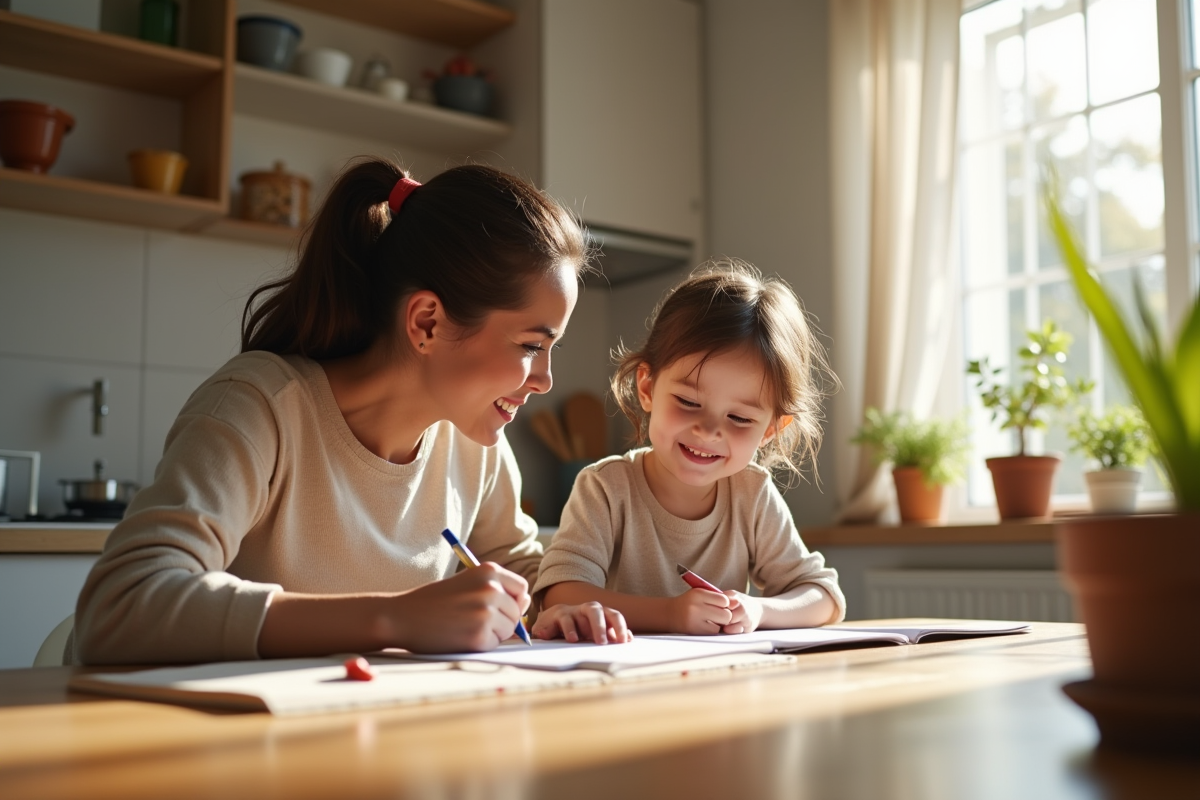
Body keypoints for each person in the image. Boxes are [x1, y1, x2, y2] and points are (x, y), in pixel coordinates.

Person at [72, 160, 630, 665]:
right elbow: (122, 604)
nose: (545, 379)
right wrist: (396, 617)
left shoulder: (473, 440)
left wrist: (556, 609)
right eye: (532, 345)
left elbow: (519, 572)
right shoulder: (260, 408)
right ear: (427, 323)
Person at [534, 260, 845, 634]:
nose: (709, 430)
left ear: (770, 431)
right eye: (689, 402)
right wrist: (670, 615)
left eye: (740, 419)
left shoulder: (752, 494)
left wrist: (759, 610)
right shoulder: (605, 488)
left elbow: (824, 596)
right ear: (647, 388)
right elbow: (559, 595)